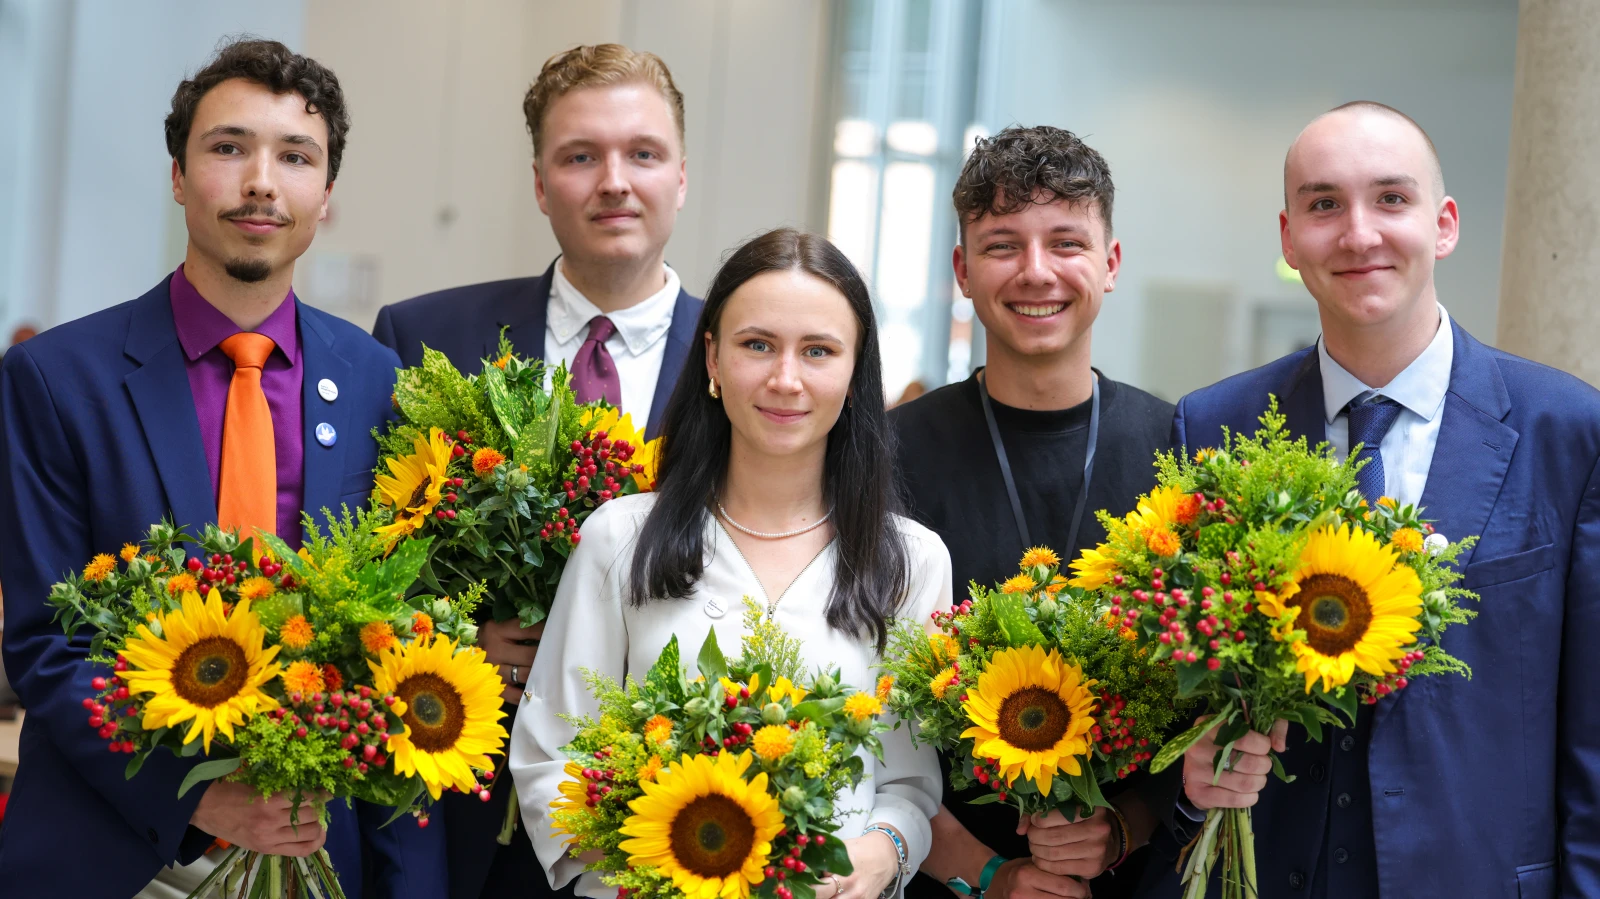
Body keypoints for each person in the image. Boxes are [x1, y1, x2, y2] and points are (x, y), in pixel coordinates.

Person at [0, 39, 442, 897]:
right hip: (112, 851)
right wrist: (199, 797)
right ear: (178, 174)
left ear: (326, 196)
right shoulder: (56, 379)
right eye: (228, 147)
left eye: (295, 156)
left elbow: (403, 636)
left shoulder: (380, 386)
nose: (261, 182)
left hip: (320, 849)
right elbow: (46, 646)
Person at [1135, 101, 1600, 898]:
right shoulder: (1213, 424)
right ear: (1288, 238)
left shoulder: (1568, 429)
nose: (1358, 233)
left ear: (1443, 223)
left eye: (1391, 199)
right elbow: (1181, 699)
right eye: (1324, 204)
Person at [509, 228, 947, 899]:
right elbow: (550, 758)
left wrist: (880, 852)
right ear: (712, 358)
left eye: (819, 351)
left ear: (857, 374)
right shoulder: (619, 537)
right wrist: (670, 853)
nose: (785, 378)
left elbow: (910, 783)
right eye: (757, 345)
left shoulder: (911, 560)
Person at [370, 45, 702, 897]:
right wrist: (458, 647)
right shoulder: (423, 339)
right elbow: (370, 560)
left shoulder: (747, 361)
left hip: (678, 805)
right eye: (580, 156)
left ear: (681, 176)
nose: (614, 181)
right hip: (459, 801)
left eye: (642, 153)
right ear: (539, 182)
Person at [891, 125, 1174, 899]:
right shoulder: (887, 453)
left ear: (1110, 264)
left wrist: (1123, 826)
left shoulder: (1173, 449)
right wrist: (986, 873)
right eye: (1003, 244)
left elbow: (1199, 711)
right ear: (962, 269)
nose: (1036, 271)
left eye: (1066, 242)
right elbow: (866, 713)